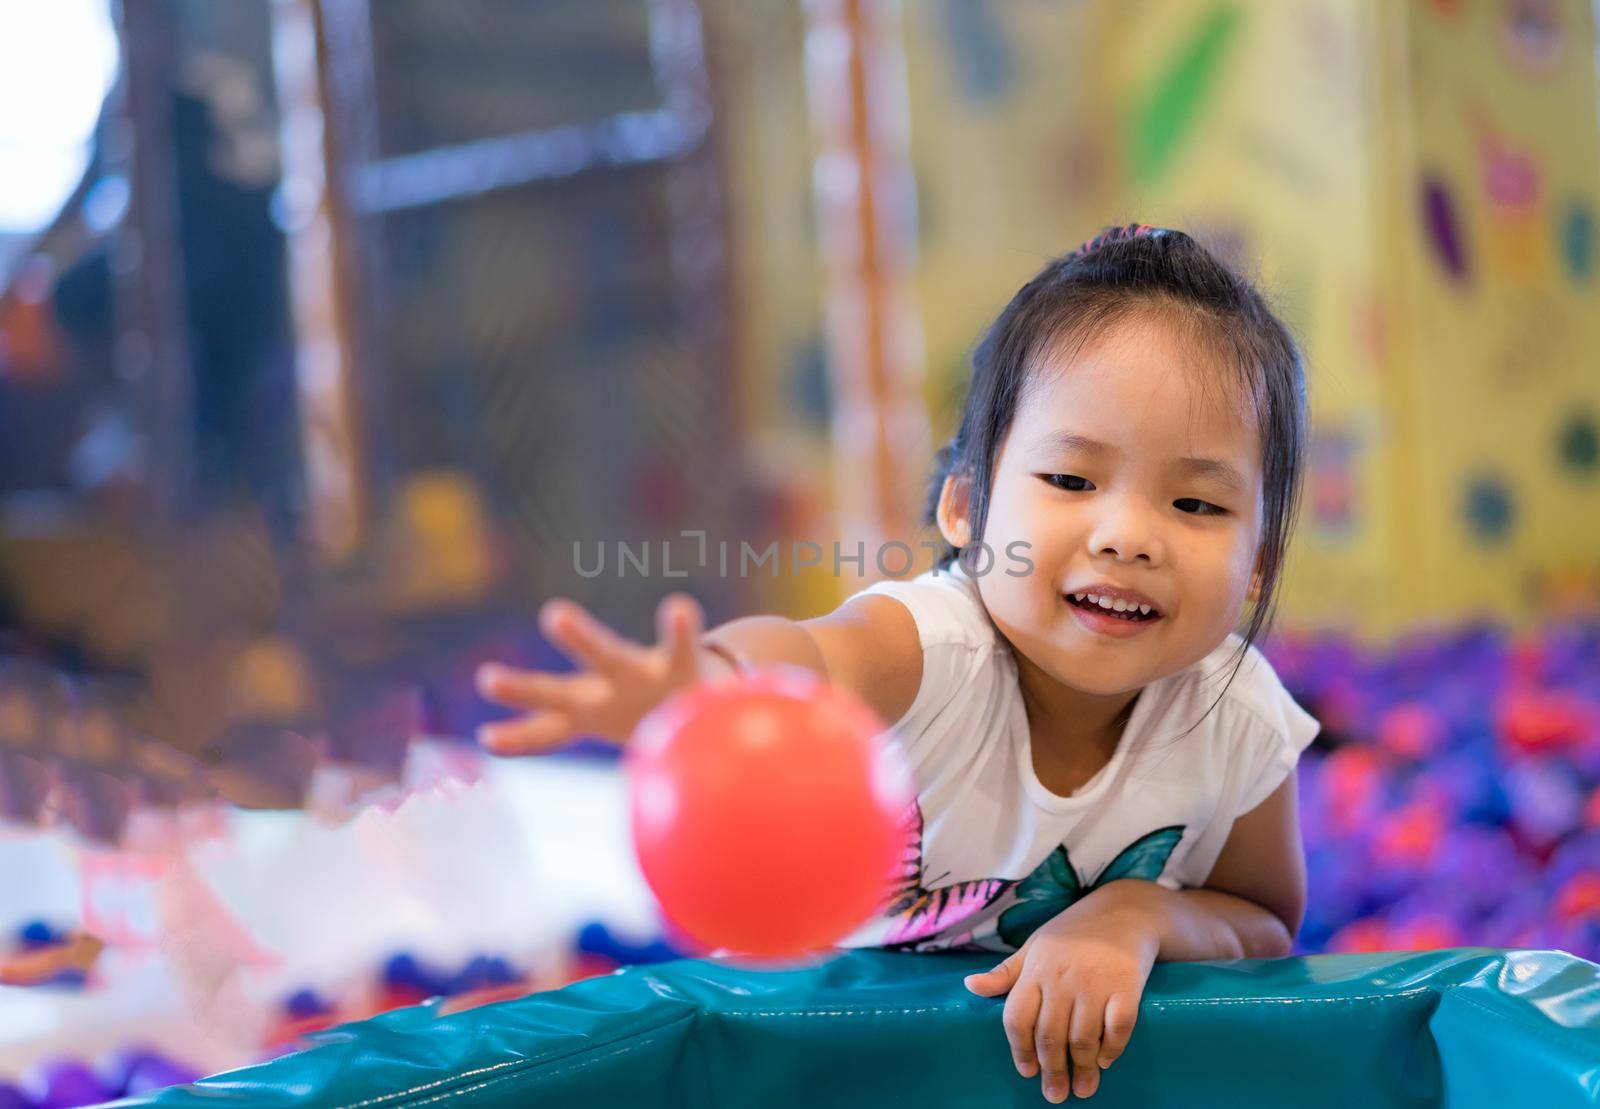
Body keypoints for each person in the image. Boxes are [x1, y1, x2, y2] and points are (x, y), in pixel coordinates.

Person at [476, 225, 1321, 1104]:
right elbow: (813, 655)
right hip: (819, 1066)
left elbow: (1261, 922)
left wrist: (1136, 914)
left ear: (1258, 562)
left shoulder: (1236, 718)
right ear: (966, 507)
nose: (1126, 536)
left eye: (1195, 501)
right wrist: (716, 689)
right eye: (1071, 481)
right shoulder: (934, 649)